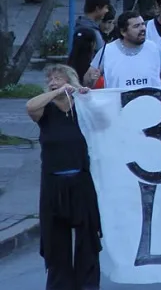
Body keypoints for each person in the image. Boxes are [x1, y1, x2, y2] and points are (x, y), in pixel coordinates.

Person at [26, 65, 102, 290]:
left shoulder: (83, 109)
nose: (53, 82)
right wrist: (57, 92)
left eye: (58, 78)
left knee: (87, 238)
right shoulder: (45, 110)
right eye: (50, 80)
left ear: (70, 80)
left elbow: (106, 122)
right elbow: (30, 106)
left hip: (81, 181)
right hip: (53, 183)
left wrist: (87, 97)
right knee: (56, 240)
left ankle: (87, 284)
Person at [84, 11, 161, 88]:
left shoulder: (154, 48)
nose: (142, 28)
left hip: (151, 103)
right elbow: (87, 82)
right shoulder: (107, 51)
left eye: (142, 24)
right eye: (136, 26)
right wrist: (91, 79)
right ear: (123, 32)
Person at [66, 0, 111, 81]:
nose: (107, 11)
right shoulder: (89, 32)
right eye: (106, 7)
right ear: (97, 8)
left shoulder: (83, 27)